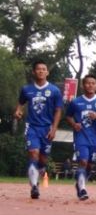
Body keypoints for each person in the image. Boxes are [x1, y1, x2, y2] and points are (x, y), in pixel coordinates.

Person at [15, 59, 63, 200]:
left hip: (47, 128)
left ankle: (40, 170)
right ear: (34, 72)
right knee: (33, 152)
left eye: (43, 69)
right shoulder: (27, 89)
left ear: (47, 72)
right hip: (32, 127)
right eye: (38, 69)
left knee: (42, 159)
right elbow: (20, 103)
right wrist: (18, 111)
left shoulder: (54, 90)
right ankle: (34, 186)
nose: (41, 71)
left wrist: (54, 128)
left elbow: (58, 110)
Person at [65, 74, 96, 201]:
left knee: (89, 165)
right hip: (80, 137)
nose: (90, 85)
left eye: (93, 83)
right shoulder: (75, 101)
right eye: (88, 83)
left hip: (94, 139)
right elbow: (68, 116)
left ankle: (80, 183)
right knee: (83, 162)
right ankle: (83, 189)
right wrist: (74, 124)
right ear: (83, 85)